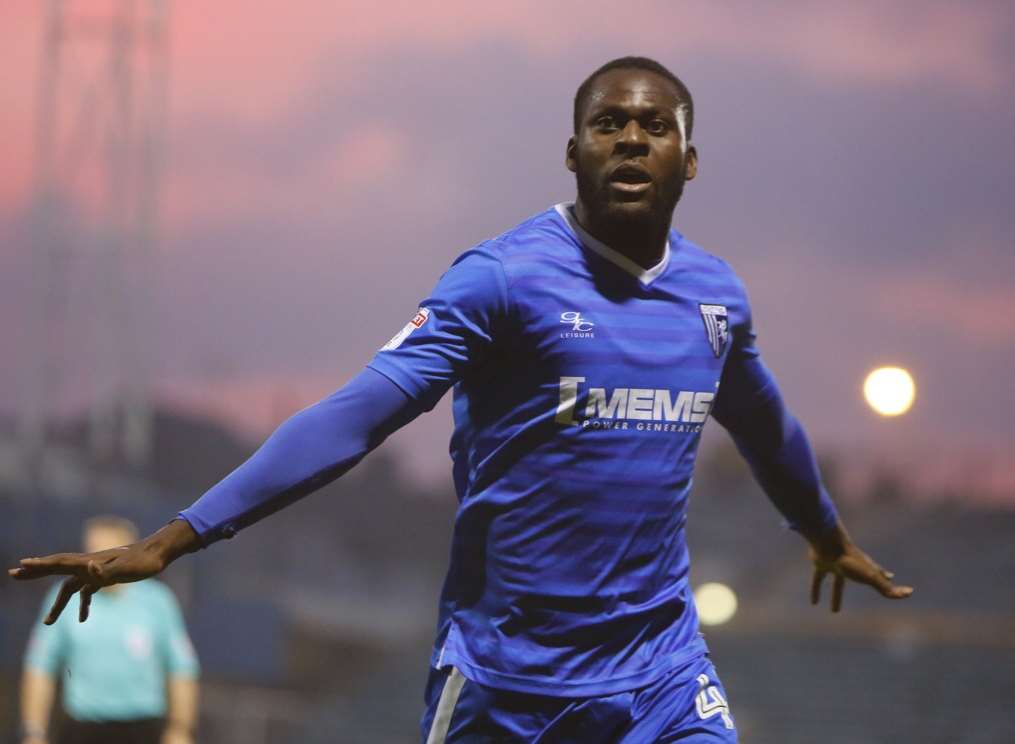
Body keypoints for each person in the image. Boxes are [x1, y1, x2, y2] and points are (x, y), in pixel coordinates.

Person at [10, 57, 912, 743]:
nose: (630, 139)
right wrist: (177, 537)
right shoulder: (502, 279)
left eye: (652, 127)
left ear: (690, 158)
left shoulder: (714, 298)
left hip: (662, 676)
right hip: (507, 684)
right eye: (606, 125)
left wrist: (825, 535)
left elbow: (764, 426)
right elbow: (356, 414)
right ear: (571, 152)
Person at [18, 516, 199, 744]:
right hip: (84, 729)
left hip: (143, 728)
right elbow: (40, 666)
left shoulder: (158, 601)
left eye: (107, 553)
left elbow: (181, 669)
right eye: (92, 552)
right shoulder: (64, 600)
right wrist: (33, 732)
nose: (97, 562)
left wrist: (181, 729)